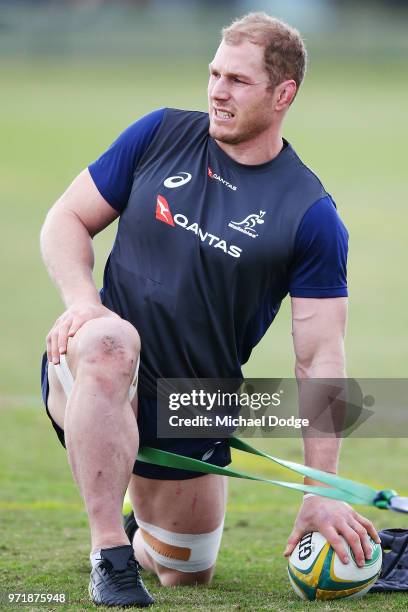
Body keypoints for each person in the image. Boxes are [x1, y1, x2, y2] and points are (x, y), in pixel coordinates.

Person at [40, 12, 380, 608]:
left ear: (283, 94)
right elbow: (65, 218)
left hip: (192, 405)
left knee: (187, 572)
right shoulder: (159, 134)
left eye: (238, 80)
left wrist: (319, 489)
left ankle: (135, 531)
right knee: (109, 342)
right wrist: (82, 304)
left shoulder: (310, 214)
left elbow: (320, 358)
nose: (217, 91)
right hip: (94, 371)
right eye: (214, 73)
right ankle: (109, 556)